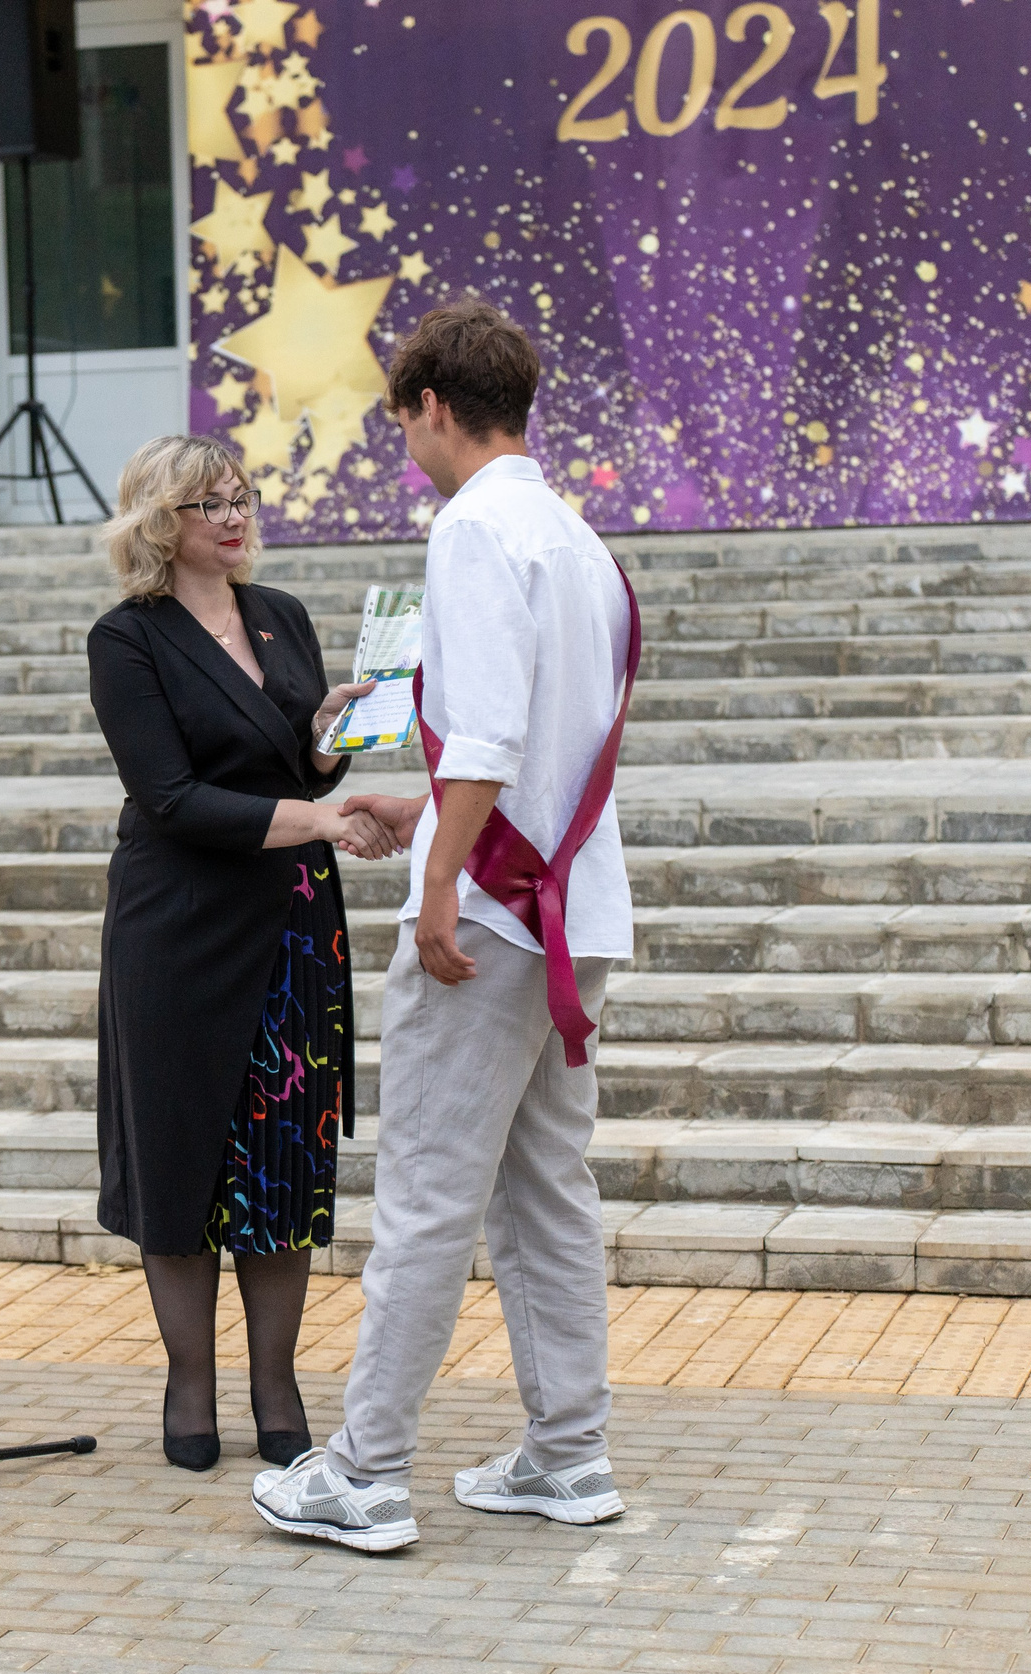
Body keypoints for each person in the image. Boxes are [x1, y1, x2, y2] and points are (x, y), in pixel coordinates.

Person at [253, 299, 640, 1552]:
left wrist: (432, 886)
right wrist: (428, 813)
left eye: (403, 421)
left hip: (487, 916)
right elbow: (538, 751)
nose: (405, 445)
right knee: (544, 1191)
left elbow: (484, 737)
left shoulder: (473, 528)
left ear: (428, 405)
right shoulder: (577, 538)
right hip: (572, 908)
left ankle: (363, 1470)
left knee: (426, 1191)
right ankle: (567, 1454)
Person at [88, 435, 397, 1472]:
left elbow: (292, 768)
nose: (234, 517)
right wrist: (319, 817)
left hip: (289, 922)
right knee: (180, 1151)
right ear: (160, 521)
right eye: (209, 503)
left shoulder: (284, 616)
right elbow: (170, 797)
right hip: (177, 926)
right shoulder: (126, 639)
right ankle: (189, 1381)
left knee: (283, 1155)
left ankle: (276, 1381)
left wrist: (325, 742)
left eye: (241, 498)